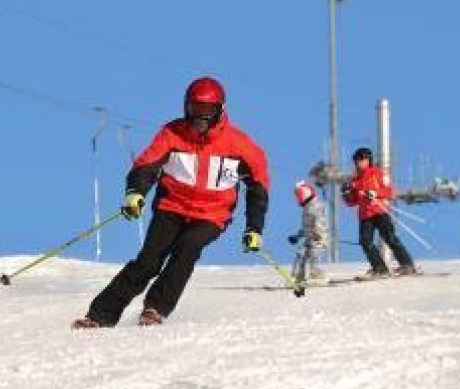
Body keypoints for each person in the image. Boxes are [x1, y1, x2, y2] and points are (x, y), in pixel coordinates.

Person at [72, 76, 270, 328]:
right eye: (194, 108)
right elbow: (146, 165)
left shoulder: (240, 146)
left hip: (211, 215)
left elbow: (258, 188)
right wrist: (136, 192)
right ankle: (100, 316)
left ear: (220, 109)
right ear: (186, 106)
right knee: (149, 261)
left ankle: (156, 307)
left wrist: (254, 228)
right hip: (171, 207)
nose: (200, 116)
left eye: (207, 110)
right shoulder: (172, 134)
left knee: (188, 247)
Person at [342, 147, 417, 278]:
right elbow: (352, 202)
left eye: (360, 160)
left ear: (367, 160)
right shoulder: (355, 180)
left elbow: (389, 191)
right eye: (356, 161)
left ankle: (407, 264)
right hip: (365, 215)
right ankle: (380, 268)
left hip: (379, 211)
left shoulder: (377, 173)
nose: (357, 163)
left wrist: (375, 193)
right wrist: (346, 194)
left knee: (390, 237)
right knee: (365, 242)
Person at [288, 181, 328, 285]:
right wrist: (297, 236)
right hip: (309, 239)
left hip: (318, 239)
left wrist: (318, 233)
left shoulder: (316, 206)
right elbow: (306, 227)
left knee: (313, 256)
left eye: (299, 195)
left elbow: (320, 221)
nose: (298, 197)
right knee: (300, 254)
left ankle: (318, 276)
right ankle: (297, 277)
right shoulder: (307, 208)